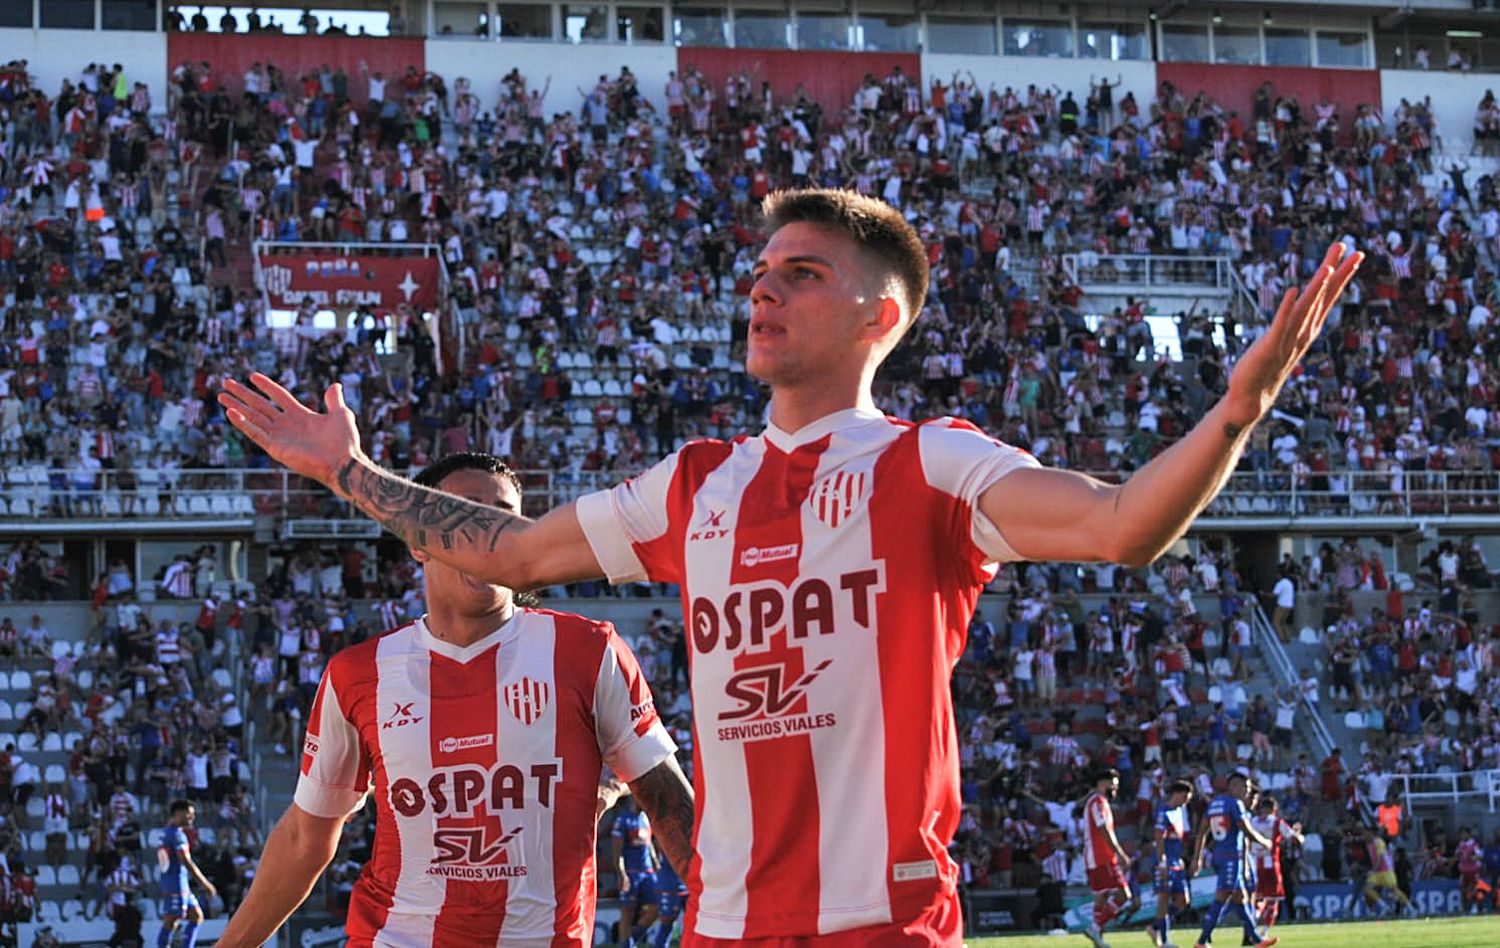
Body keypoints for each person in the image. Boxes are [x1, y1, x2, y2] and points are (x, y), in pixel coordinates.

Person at [220, 188, 1362, 945]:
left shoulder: (931, 465)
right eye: (762, 269)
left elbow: (1122, 525)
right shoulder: (694, 483)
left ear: (884, 314)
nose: (763, 287)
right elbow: (509, 549)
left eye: (803, 273)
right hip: (720, 927)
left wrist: (1234, 414)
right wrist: (347, 473)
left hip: (884, 923)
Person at [214, 453, 693, 947]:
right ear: (418, 543)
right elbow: (304, 838)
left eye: (503, 516)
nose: (485, 529)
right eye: (463, 512)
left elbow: (667, 801)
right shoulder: (358, 675)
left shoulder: (588, 651)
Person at [1190, 772, 1277, 948]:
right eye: (1244, 787)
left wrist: (1197, 858)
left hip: (1219, 855)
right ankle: (1202, 941)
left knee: (1240, 897)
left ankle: (1256, 940)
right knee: (1222, 896)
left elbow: (1201, 832)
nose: (1246, 791)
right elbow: (1246, 830)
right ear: (1233, 786)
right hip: (1231, 856)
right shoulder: (1235, 804)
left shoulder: (1214, 804)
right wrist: (1265, 842)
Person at [1082, 768, 1134, 948]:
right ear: (1103, 783)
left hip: (1093, 859)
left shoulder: (1094, 802)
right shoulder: (1098, 801)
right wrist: (1120, 853)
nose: (1115, 789)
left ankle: (1098, 940)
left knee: (1101, 899)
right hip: (1101, 857)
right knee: (1124, 894)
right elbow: (1103, 829)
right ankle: (1095, 928)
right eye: (1114, 785)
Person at [155, 799, 218, 948]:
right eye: (189, 814)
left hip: (177, 883)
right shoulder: (177, 835)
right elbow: (186, 861)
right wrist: (205, 883)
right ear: (178, 814)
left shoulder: (165, 832)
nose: (192, 818)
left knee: (196, 916)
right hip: (175, 884)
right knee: (171, 921)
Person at [1248, 795, 1302, 934]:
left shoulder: (1252, 821)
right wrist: (1299, 834)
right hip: (1271, 865)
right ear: (1274, 809)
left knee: (1257, 899)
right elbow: (1295, 840)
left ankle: (1253, 922)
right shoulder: (1277, 822)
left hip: (1254, 864)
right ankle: (1264, 933)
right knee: (1272, 900)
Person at [1151, 779, 1194, 948]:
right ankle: (1164, 939)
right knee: (1164, 898)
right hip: (1165, 861)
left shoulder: (1181, 812)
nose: (1186, 801)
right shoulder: (1164, 811)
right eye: (1185, 796)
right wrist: (1162, 862)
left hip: (1176, 861)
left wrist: (1180, 857)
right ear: (1176, 794)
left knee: (1183, 900)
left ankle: (1155, 926)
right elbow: (1158, 837)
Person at [613, 795, 661, 947]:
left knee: (657, 907)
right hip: (631, 871)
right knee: (627, 911)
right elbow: (617, 850)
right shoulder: (623, 819)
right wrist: (621, 873)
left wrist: (656, 864)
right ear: (635, 799)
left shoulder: (645, 819)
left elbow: (649, 844)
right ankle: (626, 944)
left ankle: (631, 938)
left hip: (647, 872)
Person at [1363, 828, 1415, 917]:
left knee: (1394, 890)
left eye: (1366, 834)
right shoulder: (1368, 844)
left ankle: (1411, 908)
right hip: (1378, 872)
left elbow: (1380, 859)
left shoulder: (1378, 842)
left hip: (1386, 870)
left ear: (1371, 833)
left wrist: (1372, 870)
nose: (1364, 836)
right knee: (1367, 889)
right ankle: (1384, 907)